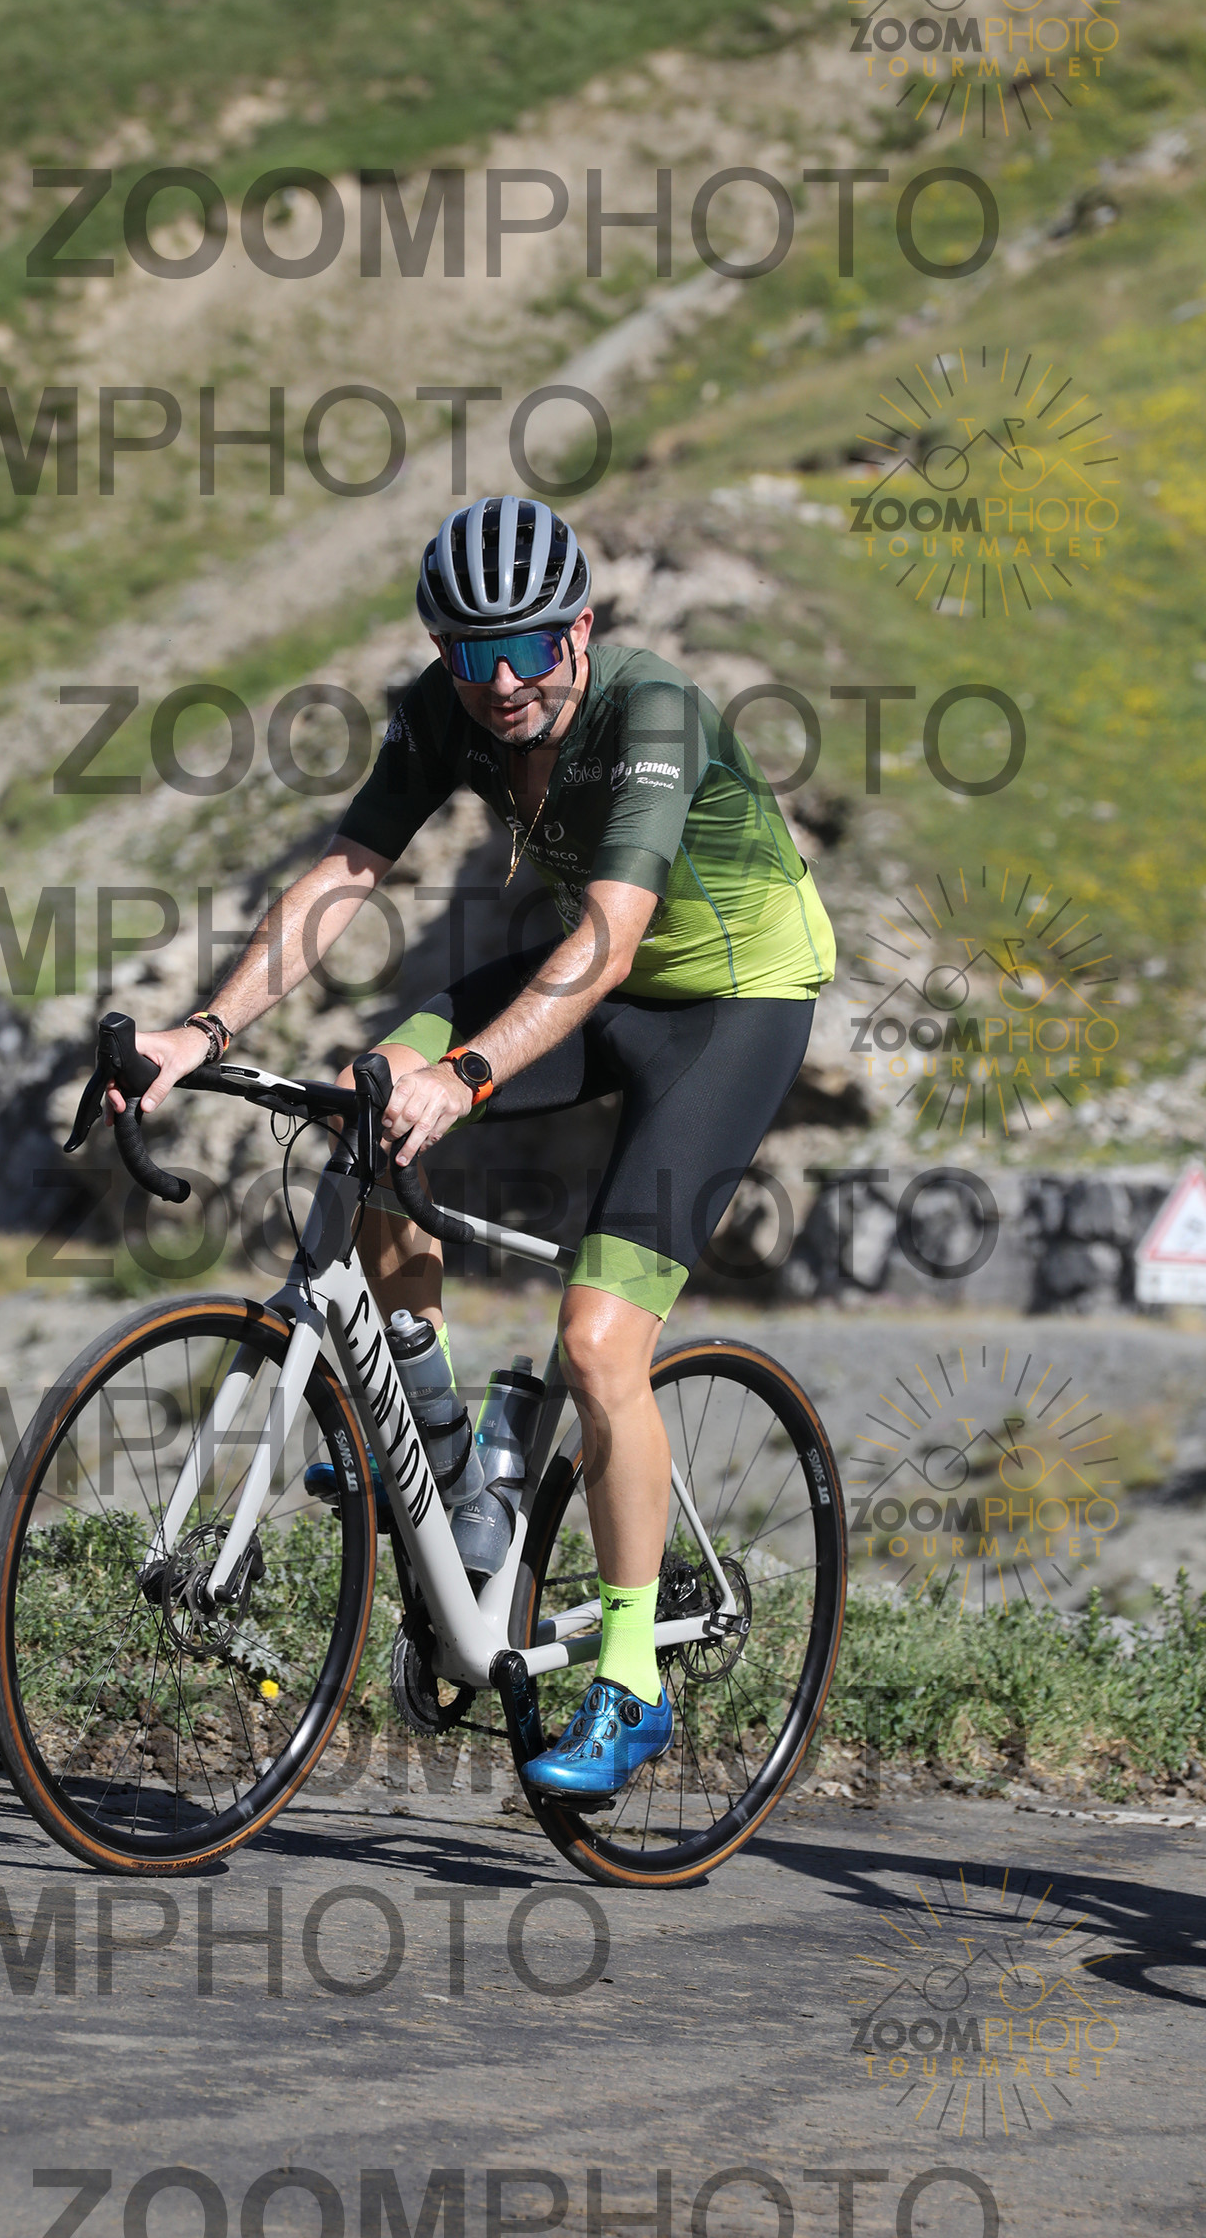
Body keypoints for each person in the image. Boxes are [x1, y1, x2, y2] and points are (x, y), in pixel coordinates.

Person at [110, 494, 835, 1801]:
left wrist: (472, 1074)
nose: (502, 683)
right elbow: (344, 875)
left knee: (599, 1344)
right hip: (598, 985)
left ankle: (631, 1681)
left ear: (581, 631)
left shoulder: (652, 713)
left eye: (529, 650)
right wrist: (199, 1031)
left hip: (732, 1004)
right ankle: (449, 1456)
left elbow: (608, 936)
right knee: (364, 1098)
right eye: (471, 653)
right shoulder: (449, 709)